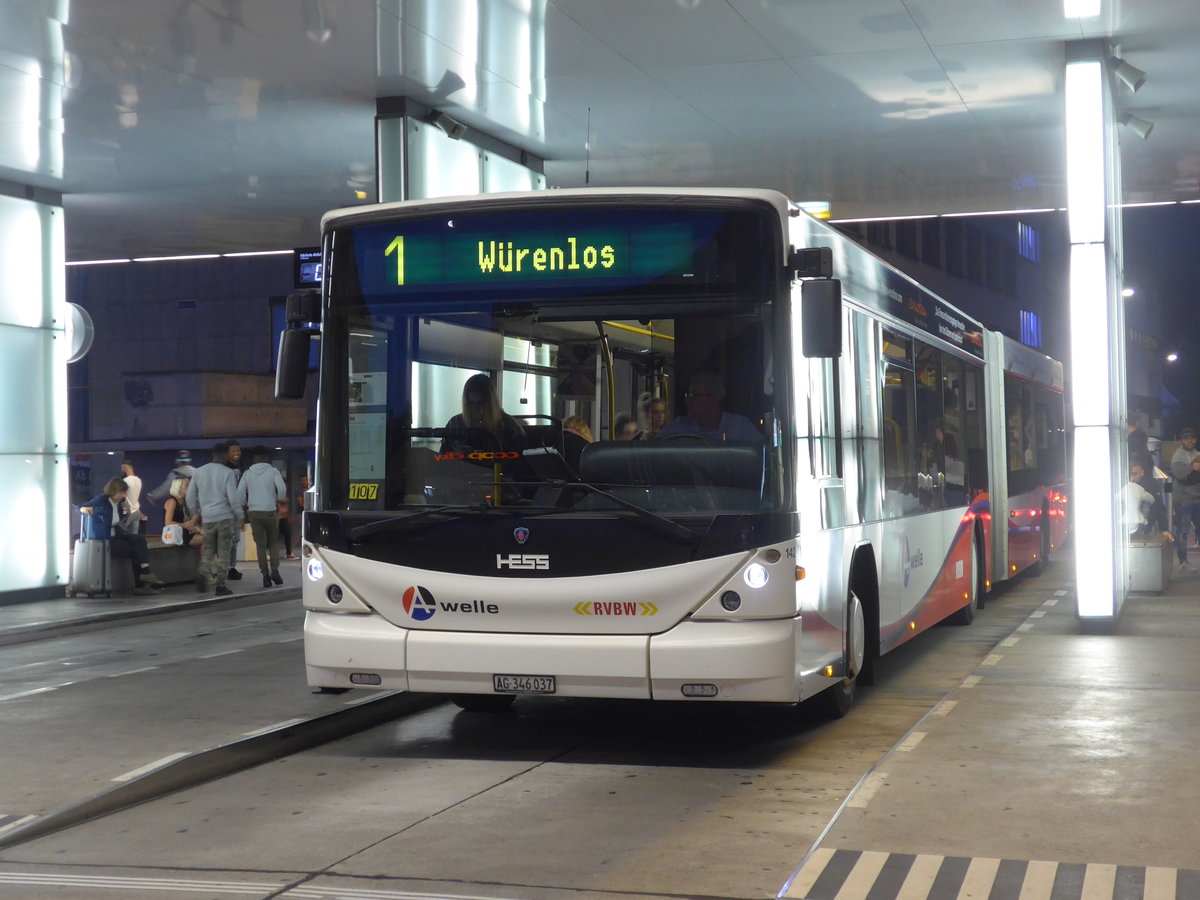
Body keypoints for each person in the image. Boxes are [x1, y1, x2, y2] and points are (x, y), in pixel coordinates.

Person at [79, 477, 164, 596]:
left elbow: (120, 522)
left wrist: (127, 511)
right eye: (122, 493)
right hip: (108, 538)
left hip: (117, 534)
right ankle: (143, 579)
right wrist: (84, 509)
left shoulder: (118, 504)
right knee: (136, 549)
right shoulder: (102, 500)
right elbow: (80, 507)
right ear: (114, 491)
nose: (124, 495)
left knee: (139, 539)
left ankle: (145, 574)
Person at [187, 442, 244, 597]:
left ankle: (203, 573)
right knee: (224, 552)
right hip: (225, 518)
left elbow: (190, 496)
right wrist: (240, 515)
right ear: (225, 455)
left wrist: (195, 513)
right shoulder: (227, 473)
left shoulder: (199, 472)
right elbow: (233, 499)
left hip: (208, 518)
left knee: (209, 549)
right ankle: (221, 586)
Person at [656, 371, 762, 442]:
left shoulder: (740, 427)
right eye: (688, 395)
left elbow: (764, 457)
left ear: (714, 398)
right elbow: (657, 449)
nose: (688, 401)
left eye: (694, 395)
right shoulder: (681, 426)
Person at [239, 446, 288, 588]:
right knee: (273, 543)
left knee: (260, 545)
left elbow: (239, 493)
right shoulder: (273, 471)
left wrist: (245, 505)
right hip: (271, 511)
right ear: (266, 458)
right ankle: (275, 571)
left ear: (254, 459)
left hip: (254, 512)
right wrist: (279, 499)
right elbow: (282, 489)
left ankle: (265, 576)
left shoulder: (247, 473)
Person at [440, 373, 526, 453]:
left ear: (491, 404)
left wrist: (489, 459)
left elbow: (518, 462)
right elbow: (442, 459)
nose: (475, 409)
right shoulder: (455, 424)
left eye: (481, 404)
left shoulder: (508, 426)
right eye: (471, 403)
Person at [1170, 427, 1200, 570]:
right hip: (1183, 500)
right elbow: (1184, 479)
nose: (1190, 441)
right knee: (1183, 531)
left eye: (1193, 438)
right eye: (1187, 438)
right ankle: (1183, 561)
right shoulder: (1178, 457)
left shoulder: (1197, 454)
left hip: (1197, 498)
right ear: (1182, 440)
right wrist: (1194, 469)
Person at [1123, 463, 1173, 542]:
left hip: (1144, 527)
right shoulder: (1123, 485)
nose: (1131, 478)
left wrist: (1164, 529)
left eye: (1135, 474)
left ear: (1142, 472)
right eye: (1129, 474)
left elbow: (1158, 506)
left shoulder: (1149, 485)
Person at [223, 439, 244, 581]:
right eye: (233, 450)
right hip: (226, 509)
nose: (237, 453)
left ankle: (231, 567)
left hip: (234, 508)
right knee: (229, 539)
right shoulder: (225, 469)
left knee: (235, 538)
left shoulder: (237, 468)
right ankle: (226, 567)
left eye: (238, 450)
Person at [163, 475, 202, 545]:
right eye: (187, 485)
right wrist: (184, 525)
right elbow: (168, 522)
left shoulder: (186, 502)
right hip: (177, 534)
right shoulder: (172, 502)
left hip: (185, 531)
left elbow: (191, 522)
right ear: (179, 488)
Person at [119, 460, 145, 534]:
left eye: (122, 469)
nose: (121, 471)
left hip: (127, 512)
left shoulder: (125, 481)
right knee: (134, 536)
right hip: (136, 511)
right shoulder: (139, 480)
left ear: (124, 468)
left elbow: (122, 496)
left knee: (122, 533)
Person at [277, 495, 296, 560]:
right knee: (283, 535)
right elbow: (283, 501)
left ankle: (288, 553)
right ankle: (288, 553)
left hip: (282, 518)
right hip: (279, 518)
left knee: (286, 534)